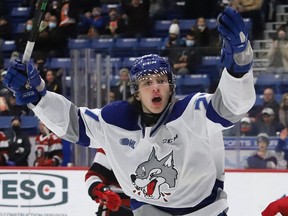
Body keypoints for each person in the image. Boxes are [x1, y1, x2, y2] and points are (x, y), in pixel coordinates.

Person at [3, 7, 255, 216]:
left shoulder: (193, 111)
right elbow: (73, 124)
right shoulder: (116, 120)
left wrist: (238, 68)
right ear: (136, 91)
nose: (155, 87)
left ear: (171, 87)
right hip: (150, 209)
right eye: (147, 83)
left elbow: (232, 108)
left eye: (161, 81)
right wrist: (38, 96)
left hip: (204, 210)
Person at [86, 148, 133, 216]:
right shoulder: (109, 145)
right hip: (116, 206)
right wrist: (104, 192)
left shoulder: (151, 145)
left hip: (148, 207)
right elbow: (93, 176)